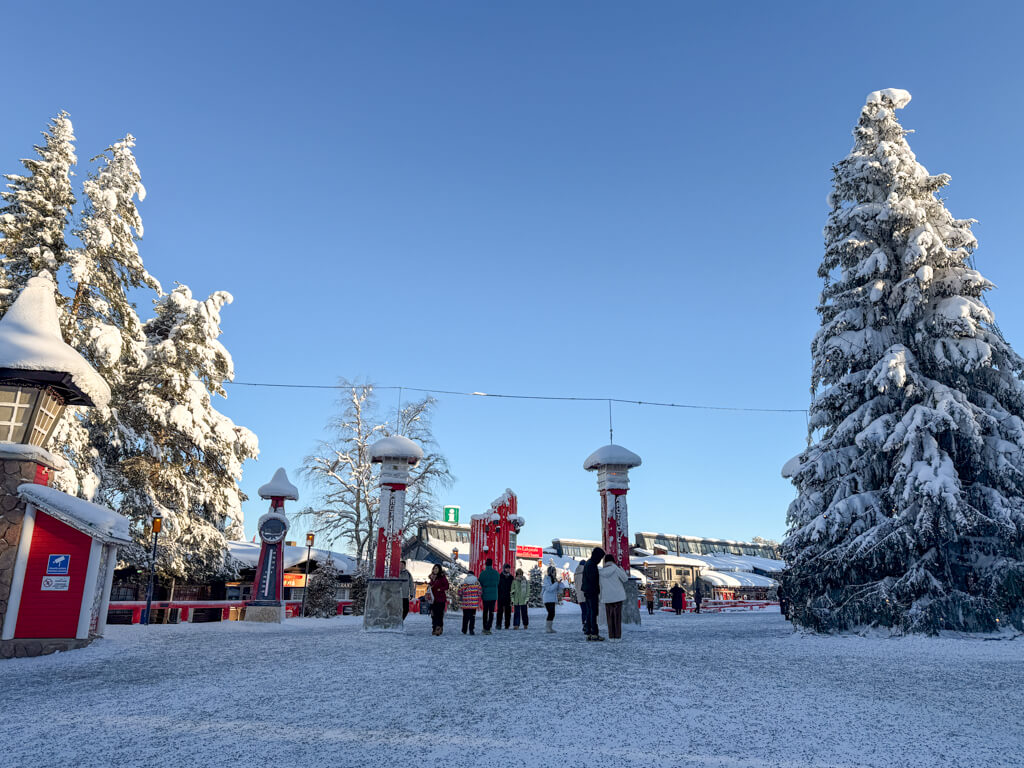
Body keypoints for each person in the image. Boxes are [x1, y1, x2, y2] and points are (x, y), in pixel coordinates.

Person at [598, 553, 629, 640]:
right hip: (618, 596)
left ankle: (611, 636)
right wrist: (621, 569)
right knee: (617, 617)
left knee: (609, 618)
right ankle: (617, 636)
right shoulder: (616, 568)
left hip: (607, 597)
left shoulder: (601, 571)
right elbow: (625, 579)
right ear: (613, 560)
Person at [582, 546, 605, 641]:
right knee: (593, 612)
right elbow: (593, 579)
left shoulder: (588, 563)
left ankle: (588, 632)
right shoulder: (592, 565)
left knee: (589, 612)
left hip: (587, 591)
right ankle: (594, 633)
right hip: (592, 591)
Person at [478, 558, 499, 634]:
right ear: (492, 564)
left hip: (485, 594)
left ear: (486, 564)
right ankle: (489, 627)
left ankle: (484, 627)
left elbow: (479, 583)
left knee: (485, 611)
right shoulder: (496, 573)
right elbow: (498, 582)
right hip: (493, 595)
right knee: (491, 612)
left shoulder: (483, 573)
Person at [427, 564, 449, 636]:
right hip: (433, 599)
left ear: (439, 569)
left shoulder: (442, 577)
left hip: (441, 599)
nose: (435, 570)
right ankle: (434, 627)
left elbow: (447, 586)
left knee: (439, 614)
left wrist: (440, 589)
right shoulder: (432, 577)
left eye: (436, 568)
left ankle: (439, 628)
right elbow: (431, 585)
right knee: (433, 614)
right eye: (434, 568)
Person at [541, 565, 560, 633]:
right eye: (553, 571)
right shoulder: (547, 579)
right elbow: (549, 589)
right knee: (550, 613)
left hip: (552, 599)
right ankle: (547, 628)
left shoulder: (554, 579)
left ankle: (550, 627)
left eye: (555, 571)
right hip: (548, 599)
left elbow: (556, 589)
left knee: (552, 614)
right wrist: (556, 584)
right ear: (550, 572)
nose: (554, 573)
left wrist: (559, 585)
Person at [496, 563, 514, 630]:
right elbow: (498, 586)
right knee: (499, 612)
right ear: (504, 568)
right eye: (506, 568)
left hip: (508, 597)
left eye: (509, 568)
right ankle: (498, 624)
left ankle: (507, 625)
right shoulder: (500, 576)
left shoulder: (511, 577)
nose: (508, 569)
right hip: (501, 596)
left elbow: (513, 587)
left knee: (508, 612)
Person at [574, 560, 588, 634]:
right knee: (588, 610)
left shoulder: (576, 573)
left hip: (579, 595)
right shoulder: (585, 572)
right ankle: (587, 625)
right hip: (585, 594)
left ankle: (584, 624)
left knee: (583, 611)